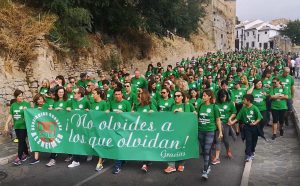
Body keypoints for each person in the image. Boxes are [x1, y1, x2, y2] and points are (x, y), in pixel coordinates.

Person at [164, 91, 195, 173]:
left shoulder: (186, 105)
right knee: (171, 146)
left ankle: (181, 164)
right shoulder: (172, 105)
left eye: (178, 95)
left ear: (182, 97)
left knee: (182, 146)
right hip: (173, 130)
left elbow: (189, 116)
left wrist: (181, 112)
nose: (176, 97)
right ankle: (171, 166)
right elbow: (167, 116)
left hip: (183, 130)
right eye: (175, 96)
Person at [197, 89, 223, 179]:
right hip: (200, 130)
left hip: (210, 131)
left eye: (204, 95)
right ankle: (208, 166)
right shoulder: (200, 106)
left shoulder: (214, 107)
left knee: (207, 150)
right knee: (204, 151)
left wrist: (220, 132)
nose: (203, 97)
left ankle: (205, 171)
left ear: (209, 97)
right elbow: (196, 116)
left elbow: (218, 120)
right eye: (202, 95)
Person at [230, 94, 262, 162]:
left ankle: (252, 151)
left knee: (254, 141)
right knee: (248, 141)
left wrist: (255, 123)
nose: (243, 101)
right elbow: (238, 117)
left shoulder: (255, 108)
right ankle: (248, 155)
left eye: (244, 100)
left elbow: (259, 117)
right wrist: (232, 122)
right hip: (247, 127)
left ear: (248, 101)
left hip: (255, 127)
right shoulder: (243, 108)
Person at [4, 90, 31, 166]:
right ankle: (26, 154)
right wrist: (6, 124)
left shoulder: (26, 104)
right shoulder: (13, 105)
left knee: (21, 141)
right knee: (22, 140)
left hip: (24, 126)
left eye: (22, 95)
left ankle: (19, 158)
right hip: (17, 126)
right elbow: (10, 115)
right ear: (16, 97)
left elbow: (30, 114)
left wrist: (27, 110)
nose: (21, 97)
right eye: (19, 96)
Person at [133, 90, 157, 172]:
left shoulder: (150, 105)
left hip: (149, 130)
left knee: (146, 146)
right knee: (142, 146)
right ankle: (147, 161)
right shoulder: (138, 106)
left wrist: (153, 112)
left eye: (139, 97)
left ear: (143, 97)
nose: (138, 98)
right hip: (140, 130)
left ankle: (145, 164)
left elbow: (158, 115)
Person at [109, 88, 131, 174]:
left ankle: (117, 166)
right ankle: (122, 160)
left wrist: (122, 113)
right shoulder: (111, 102)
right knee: (118, 146)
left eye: (119, 94)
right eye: (116, 94)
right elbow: (108, 112)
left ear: (122, 94)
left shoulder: (126, 103)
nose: (117, 96)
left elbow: (131, 116)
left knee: (119, 145)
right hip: (114, 127)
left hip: (123, 128)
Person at [46, 86, 70, 167]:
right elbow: (51, 109)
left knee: (66, 140)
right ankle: (52, 159)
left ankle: (70, 155)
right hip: (56, 125)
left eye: (62, 92)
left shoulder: (67, 101)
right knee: (54, 141)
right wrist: (50, 108)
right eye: (59, 92)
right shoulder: (54, 101)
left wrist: (64, 109)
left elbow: (70, 110)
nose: (61, 94)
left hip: (65, 124)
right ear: (57, 93)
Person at [67, 87, 91, 168]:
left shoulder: (86, 101)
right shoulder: (71, 101)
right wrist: (68, 108)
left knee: (84, 141)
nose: (73, 94)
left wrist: (88, 110)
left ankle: (88, 153)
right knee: (75, 141)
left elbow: (91, 112)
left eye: (75, 93)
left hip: (83, 126)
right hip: (74, 126)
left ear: (79, 94)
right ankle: (76, 161)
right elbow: (67, 108)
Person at [212, 89, 236, 165]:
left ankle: (228, 150)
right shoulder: (216, 104)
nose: (223, 98)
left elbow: (234, 112)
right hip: (218, 124)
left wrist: (230, 118)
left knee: (225, 140)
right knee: (218, 140)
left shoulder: (230, 103)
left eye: (224, 97)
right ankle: (217, 157)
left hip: (226, 124)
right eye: (222, 97)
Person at [91, 88, 109, 172]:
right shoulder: (93, 103)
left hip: (101, 128)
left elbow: (106, 114)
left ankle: (100, 163)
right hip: (94, 127)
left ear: (98, 94)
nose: (92, 95)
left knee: (101, 143)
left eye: (94, 93)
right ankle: (102, 157)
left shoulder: (104, 103)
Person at [29, 93, 49, 165]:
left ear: (43, 99)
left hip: (48, 127)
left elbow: (51, 114)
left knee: (50, 140)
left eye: (41, 98)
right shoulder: (36, 106)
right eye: (38, 99)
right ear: (36, 101)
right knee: (36, 140)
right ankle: (36, 158)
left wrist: (44, 109)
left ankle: (53, 155)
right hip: (39, 126)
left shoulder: (46, 105)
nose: (40, 100)